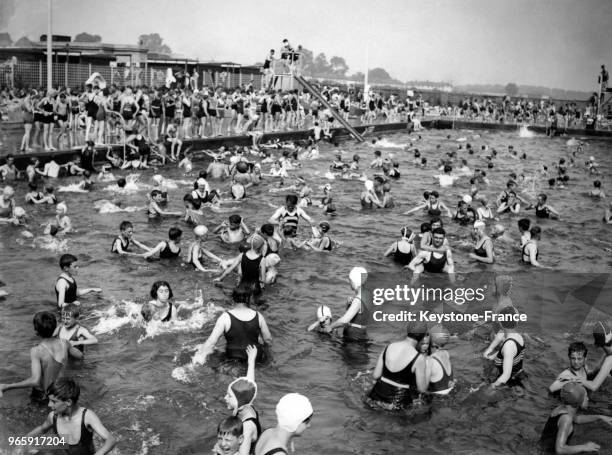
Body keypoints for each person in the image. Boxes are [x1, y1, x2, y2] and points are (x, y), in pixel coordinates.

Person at [0, 311, 82, 401]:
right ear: (55, 326)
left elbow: (35, 380)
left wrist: (7, 386)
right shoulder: (65, 343)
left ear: (36, 331)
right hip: (59, 393)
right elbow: (79, 355)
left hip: (41, 395)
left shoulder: (37, 351)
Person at [24, 378, 116, 454]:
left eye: (54, 401)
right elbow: (42, 429)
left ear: (68, 402)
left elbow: (110, 440)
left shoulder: (87, 416)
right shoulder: (53, 417)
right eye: (49, 401)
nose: (49, 405)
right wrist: (23, 441)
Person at [192, 286, 271, 365]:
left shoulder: (225, 317)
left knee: (215, 354)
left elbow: (212, 342)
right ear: (249, 299)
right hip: (256, 357)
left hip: (234, 358)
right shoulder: (258, 316)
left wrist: (199, 356)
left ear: (233, 299)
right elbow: (268, 339)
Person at [367, 322, 429, 410]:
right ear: (422, 337)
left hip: (376, 394)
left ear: (407, 331)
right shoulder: (419, 358)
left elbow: (375, 375)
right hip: (397, 402)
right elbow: (422, 389)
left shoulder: (389, 347)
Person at [539, 382, 612, 454]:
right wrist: (585, 447)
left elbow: (577, 419)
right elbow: (560, 449)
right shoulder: (566, 419)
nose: (588, 399)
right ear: (578, 400)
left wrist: (599, 417)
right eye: (585, 397)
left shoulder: (562, 408)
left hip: (542, 449)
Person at [223, 345, 260, 455]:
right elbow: (249, 386)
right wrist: (251, 362)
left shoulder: (247, 428)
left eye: (229, 396)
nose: (225, 397)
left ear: (239, 402)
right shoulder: (247, 405)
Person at [215, 237, 267, 304]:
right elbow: (263, 279)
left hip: (242, 286)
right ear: (261, 247)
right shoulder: (262, 259)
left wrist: (220, 278)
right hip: (254, 288)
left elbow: (230, 268)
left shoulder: (242, 255)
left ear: (251, 245)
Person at [483, 306, 525, 387]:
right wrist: (493, 356)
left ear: (501, 323)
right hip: (518, 376)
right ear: (516, 322)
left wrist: (491, 387)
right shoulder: (518, 337)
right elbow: (510, 355)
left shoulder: (508, 346)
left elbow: (506, 376)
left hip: (508, 385)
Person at [325, 267, 371, 341]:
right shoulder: (367, 294)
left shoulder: (358, 300)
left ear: (355, 281)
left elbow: (344, 321)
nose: (349, 282)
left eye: (350, 280)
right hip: (362, 335)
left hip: (354, 338)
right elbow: (361, 314)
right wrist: (350, 305)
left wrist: (330, 327)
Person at [578, 322, 612, 392]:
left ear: (597, 344)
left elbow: (594, 386)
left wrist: (574, 378)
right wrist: (584, 370)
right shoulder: (608, 354)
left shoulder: (610, 359)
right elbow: (595, 372)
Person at [426, 324, 454, 395]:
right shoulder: (446, 354)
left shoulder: (430, 361)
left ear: (432, 342)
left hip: (437, 398)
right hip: (450, 391)